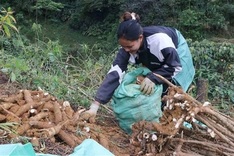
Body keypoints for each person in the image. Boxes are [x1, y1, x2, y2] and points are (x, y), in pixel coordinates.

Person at [81, 11, 195, 123]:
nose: (126, 50)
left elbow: (174, 66)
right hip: (154, 57)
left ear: (140, 38)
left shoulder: (160, 40)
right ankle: (154, 120)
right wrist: (95, 106)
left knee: (173, 91)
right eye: (123, 46)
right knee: (151, 87)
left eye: (129, 46)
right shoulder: (126, 49)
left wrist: (153, 77)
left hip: (178, 54)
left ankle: (174, 121)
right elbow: (114, 74)